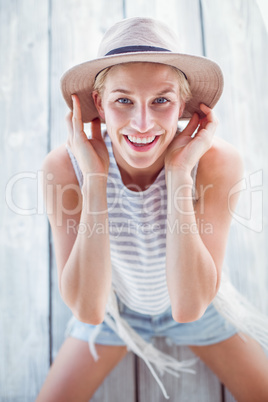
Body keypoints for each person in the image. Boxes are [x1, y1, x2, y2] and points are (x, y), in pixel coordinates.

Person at [37, 17, 268, 401]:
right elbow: (89, 310)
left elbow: (190, 306)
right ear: (99, 103)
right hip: (115, 311)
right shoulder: (64, 168)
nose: (141, 123)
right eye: (123, 100)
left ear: (182, 104)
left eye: (161, 100)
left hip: (203, 303)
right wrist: (95, 179)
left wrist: (179, 172)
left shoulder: (215, 163)